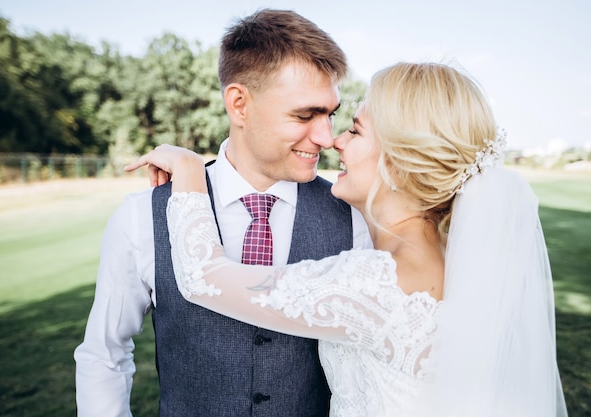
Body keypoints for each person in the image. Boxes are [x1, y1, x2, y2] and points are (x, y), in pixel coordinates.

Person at [126, 62, 569, 417]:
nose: (335, 140)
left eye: (355, 130)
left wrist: (188, 171)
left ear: (398, 163)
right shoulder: (459, 260)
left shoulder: (374, 282)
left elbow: (203, 279)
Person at [74, 8, 371, 417]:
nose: (325, 137)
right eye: (304, 115)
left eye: (330, 114)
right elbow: (104, 356)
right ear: (239, 105)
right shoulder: (141, 217)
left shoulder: (353, 217)